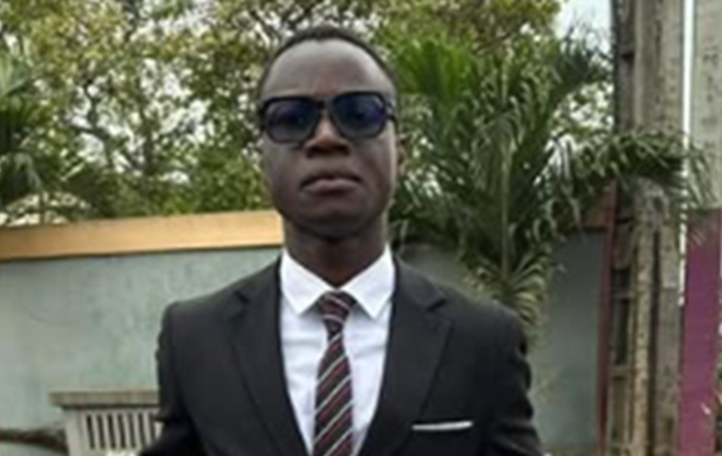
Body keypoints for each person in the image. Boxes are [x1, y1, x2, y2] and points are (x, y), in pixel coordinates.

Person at [142, 25, 542, 456]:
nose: (326, 138)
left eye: (359, 113)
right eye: (291, 118)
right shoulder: (195, 338)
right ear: (263, 162)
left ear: (400, 152)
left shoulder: (483, 340)